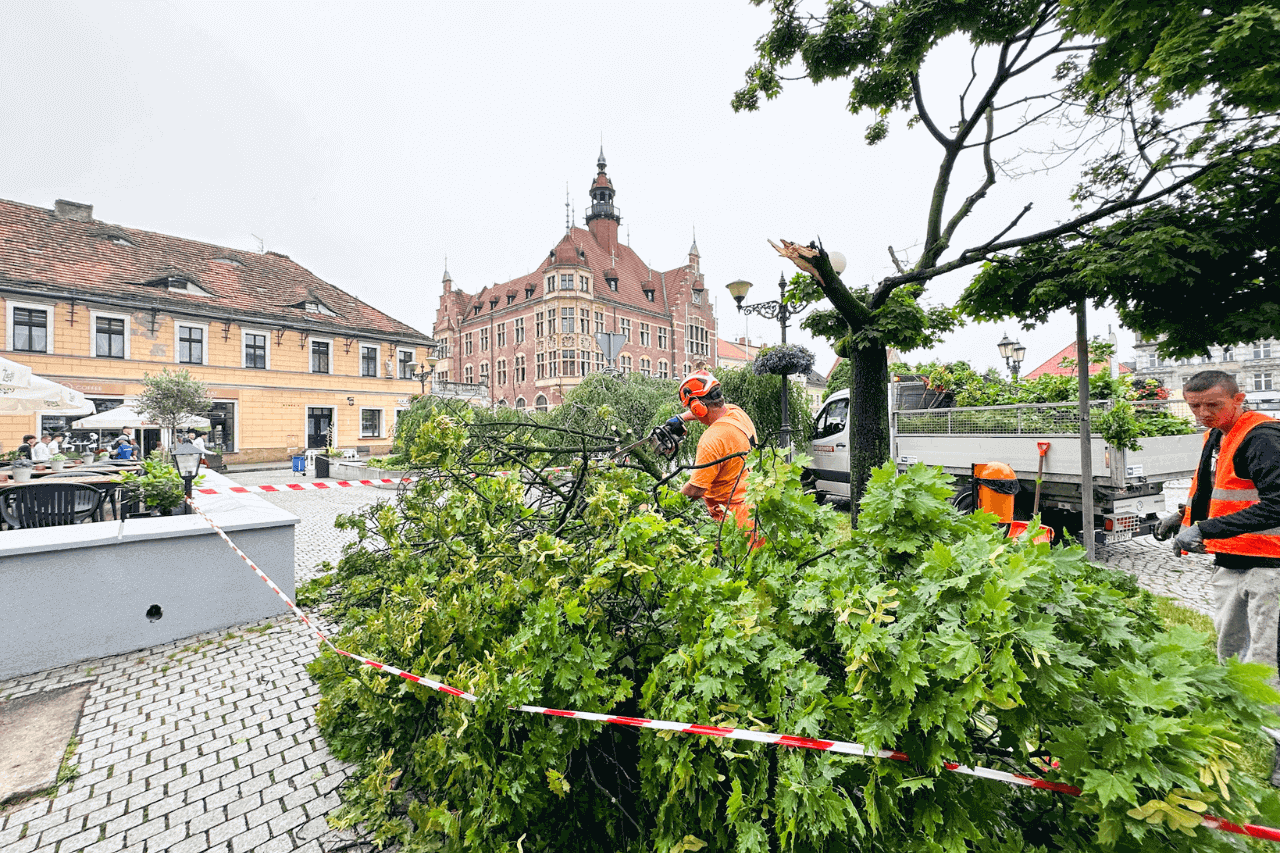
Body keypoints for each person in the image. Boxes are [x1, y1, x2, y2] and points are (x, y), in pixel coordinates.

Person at [1155, 369, 1280, 782]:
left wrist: (1205, 530)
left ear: (1238, 398)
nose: (1203, 413)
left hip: (1271, 568)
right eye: (1195, 407)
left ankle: (1277, 742)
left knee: (1267, 659)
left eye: (1213, 404)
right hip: (1232, 561)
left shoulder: (1262, 438)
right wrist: (1183, 516)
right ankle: (1246, 726)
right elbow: (1214, 491)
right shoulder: (1218, 435)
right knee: (1230, 651)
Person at [668, 370, 759, 532]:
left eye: (691, 408)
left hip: (732, 521)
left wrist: (668, 507)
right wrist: (681, 418)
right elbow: (708, 410)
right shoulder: (736, 413)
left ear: (697, 408)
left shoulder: (712, 439)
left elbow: (696, 489)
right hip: (754, 509)